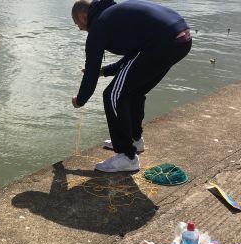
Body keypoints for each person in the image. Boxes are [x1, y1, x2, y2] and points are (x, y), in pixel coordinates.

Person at [71, 0, 191, 172]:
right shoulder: (114, 15)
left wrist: (80, 100)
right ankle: (134, 140)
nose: (80, 28)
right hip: (181, 39)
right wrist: (104, 71)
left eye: (77, 24)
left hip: (163, 42)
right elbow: (134, 58)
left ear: (83, 16)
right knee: (134, 90)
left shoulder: (99, 25)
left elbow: (90, 74)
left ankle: (126, 156)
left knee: (112, 95)